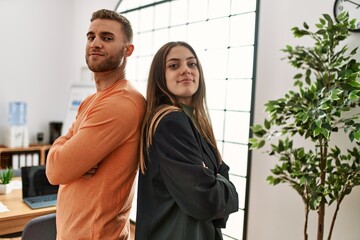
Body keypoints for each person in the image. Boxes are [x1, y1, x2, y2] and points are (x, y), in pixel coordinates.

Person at [46, 9, 145, 240]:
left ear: (128, 49)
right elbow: (61, 158)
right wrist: (67, 150)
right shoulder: (92, 100)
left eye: (107, 38)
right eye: (91, 37)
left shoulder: (122, 102)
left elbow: (55, 170)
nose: (95, 43)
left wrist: (67, 151)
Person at [135, 41, 239, 240]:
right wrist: (221, 184)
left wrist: (214, 179)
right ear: (160, 77)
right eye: (174, 66)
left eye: (192, 64)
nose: (186, 70)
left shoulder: (194, 122)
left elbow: (220, 172)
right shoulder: (171, 122)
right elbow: (204, 199)